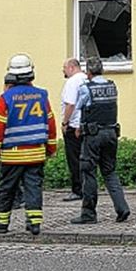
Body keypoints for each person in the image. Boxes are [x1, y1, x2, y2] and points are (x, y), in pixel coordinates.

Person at [0, 53, 58, 235]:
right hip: (36, 153)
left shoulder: (5, 98)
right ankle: (34, 224)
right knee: (33, 188)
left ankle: (2, 225)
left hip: (12, 155)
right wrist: (51, 148)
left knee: (7, 188)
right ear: (31, 73)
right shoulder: (42, 96)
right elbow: (50, 124)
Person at [70, 56, 130, 224]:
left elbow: (79, 108)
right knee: (110, 172)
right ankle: (122, 208)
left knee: (89, 173)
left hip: (93, 135)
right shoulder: (112, 86)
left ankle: (88, 214)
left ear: (88, 72)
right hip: (111, 133)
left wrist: (76, 127)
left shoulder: (85, 89)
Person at [59, 58, 85, 201]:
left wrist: (65, 122)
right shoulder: (86, 79)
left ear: (71, 67)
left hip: (73, 125)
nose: (63, 70)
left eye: (64, 67)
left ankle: (77, 189)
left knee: (74, 159)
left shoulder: (72, 82)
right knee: (85, 158)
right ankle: (86, 186)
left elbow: (70, 104)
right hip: (85, 125)